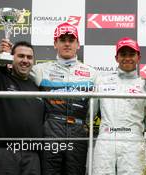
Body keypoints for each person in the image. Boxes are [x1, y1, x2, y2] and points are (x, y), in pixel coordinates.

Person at [0, 32, 45, 175]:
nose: (25, 60)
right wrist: (1, 62)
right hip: (3, 153)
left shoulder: (38, 88)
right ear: (11, 58)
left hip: (32, 156)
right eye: (21, 56)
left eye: (29, 57)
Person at [31, 22, 97, 175]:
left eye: (71, 40)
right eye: (62, 40)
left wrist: (83, 124)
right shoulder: (40, 70)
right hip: (51, 129)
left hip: (78, 130)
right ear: (55, 44)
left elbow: (96, 107)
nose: (67, 44)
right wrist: (6, 57)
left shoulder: (92, 73)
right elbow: (16, 73)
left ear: (78, 44)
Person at [93, 37, 146, 175]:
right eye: (123, 54)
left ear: (138, 57)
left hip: (133, 141)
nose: (127, 58)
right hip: (106, 139)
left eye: (131, 54)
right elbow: (90, 114)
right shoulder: (102, 82)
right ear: (116, 57)